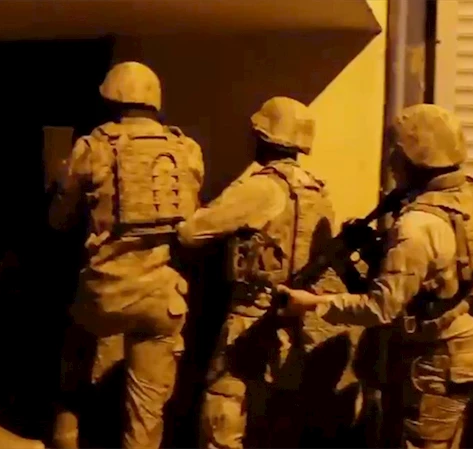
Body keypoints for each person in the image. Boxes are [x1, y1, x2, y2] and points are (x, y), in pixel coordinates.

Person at [279, 103, 473, 449]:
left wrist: (311, 303)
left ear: (412, 158)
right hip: (463, 349)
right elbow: (446, 274)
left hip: (434, 362)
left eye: (395, 153)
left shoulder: (417, 225)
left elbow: (380, 308)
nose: (390, 162)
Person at [176, 96, 365, 448]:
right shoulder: (318, 191)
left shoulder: (260, 187)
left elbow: (190, 232)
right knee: (275, 421)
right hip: (295, 318)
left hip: (252, 314)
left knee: (223, 409)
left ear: (263, 137)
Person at [48, 61, 204, 449]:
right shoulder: (186, 150)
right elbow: (192, 217)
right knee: (146, 408)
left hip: (105, 292)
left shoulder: (92, 147)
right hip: (161, 297)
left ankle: (66, 435)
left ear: (111, 98)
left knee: (75, 350)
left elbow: (59, 220)